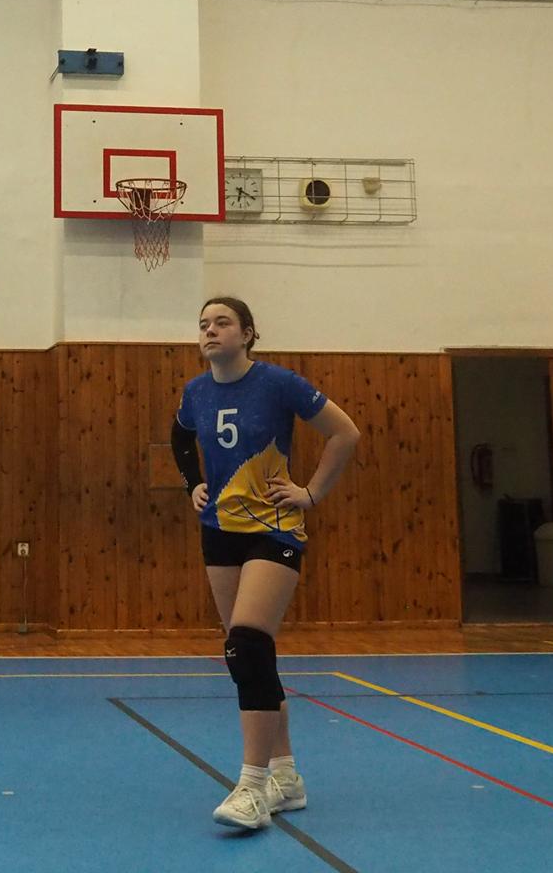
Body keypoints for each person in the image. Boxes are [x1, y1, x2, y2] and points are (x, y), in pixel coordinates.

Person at [171, 297, 360, 832]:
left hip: (273, 529)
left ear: (248, 333)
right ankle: (286, 776)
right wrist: (193, 483)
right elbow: (180, 435)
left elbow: (345, 432)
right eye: (203, 324)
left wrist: (311, 492)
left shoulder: (277, 383)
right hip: (219, 531)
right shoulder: (196, 391)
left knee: (248, 644)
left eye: (222, 322)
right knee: (247, 656)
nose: (210, 330)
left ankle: (252, 786)